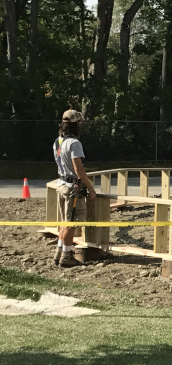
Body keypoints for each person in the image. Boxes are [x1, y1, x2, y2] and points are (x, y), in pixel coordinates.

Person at [52, 109, 97, 267]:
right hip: (72, 187)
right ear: (75, 124)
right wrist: (90, 188)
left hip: (61, 184)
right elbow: (79, 169)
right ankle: (66, 256)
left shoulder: (58, 141)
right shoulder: (74, 143)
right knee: (70, 223)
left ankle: (59, 252)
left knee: (65, 222)